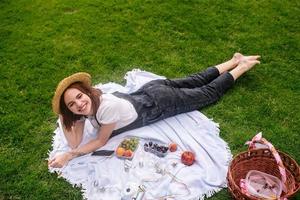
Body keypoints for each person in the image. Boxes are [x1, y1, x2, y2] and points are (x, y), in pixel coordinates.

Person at [48, 53, 260, 168]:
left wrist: (68, 156)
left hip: (160, 103)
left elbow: (100, 142)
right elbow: (75, 140)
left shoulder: (105, 109)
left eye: (79, 96)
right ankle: (233, 60)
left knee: (207, 93)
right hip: (151, 89)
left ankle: (241, 67)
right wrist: (65, 115)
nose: (79, 104)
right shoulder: (91, 101)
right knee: (194, 80)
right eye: (72, 105)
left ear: (85, 92)